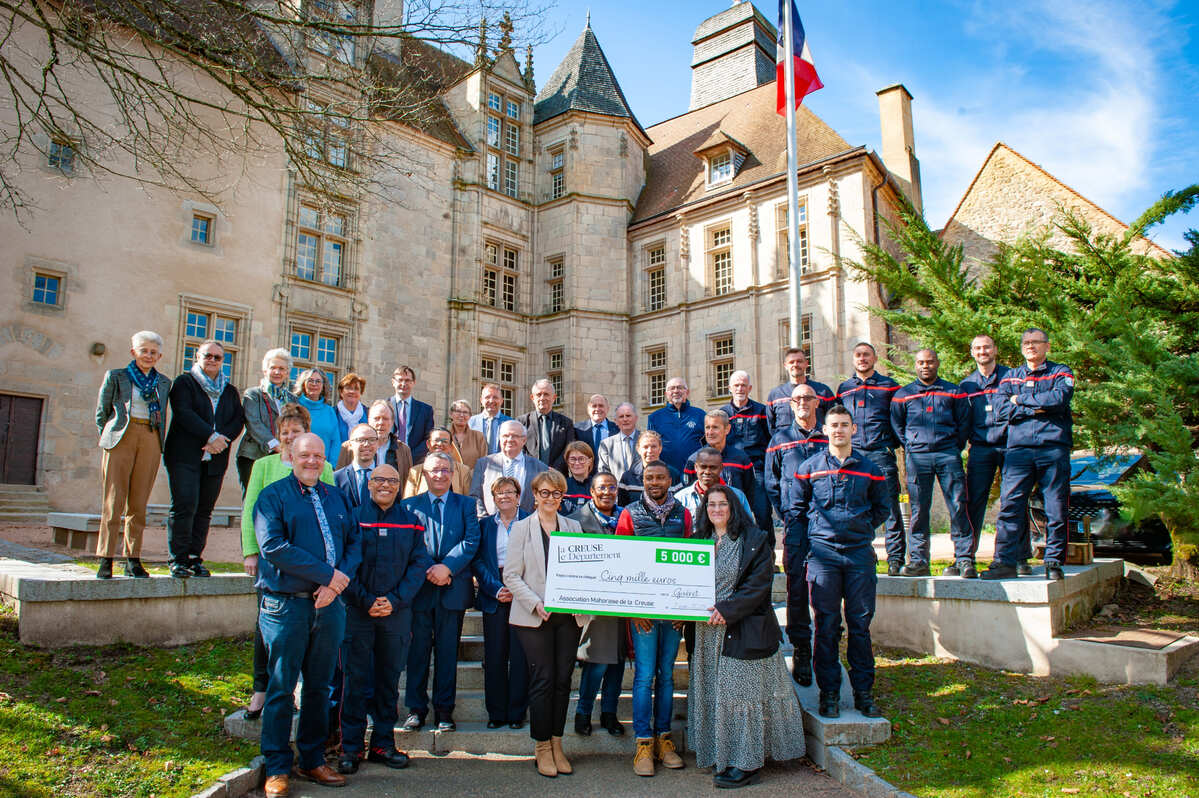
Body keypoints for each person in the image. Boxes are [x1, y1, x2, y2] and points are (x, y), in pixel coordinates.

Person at [253, 432, 361, 798]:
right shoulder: (273, 497)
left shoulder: (336, 496)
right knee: (282, 687)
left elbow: (354, 544)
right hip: (287, 606)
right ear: (290, 456)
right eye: (305, 455)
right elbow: (272, 546)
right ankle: (277, 766)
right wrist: (326, 575)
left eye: (318, 456)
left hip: (329, 606)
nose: (312, 461)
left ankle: (312, 759)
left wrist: (334, 585)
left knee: (320, 687)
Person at [688, 484, 805, 789]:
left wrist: (729, 609)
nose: (716, 510)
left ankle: (747, 762)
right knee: (716, 695)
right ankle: (723, 755)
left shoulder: (753, 540)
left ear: (734, 507)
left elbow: (759, 585)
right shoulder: (698, 540)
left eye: (722, 504)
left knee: (741, 699)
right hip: (706, 633)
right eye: (711, 505)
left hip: (741, 629)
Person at [787, 405, 888, 720]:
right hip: (823, 557)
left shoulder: (870, 468)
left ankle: (863, 693)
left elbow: (882, 507)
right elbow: (795, 510)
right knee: (827, 626)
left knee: (860, 625)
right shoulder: (809, 467)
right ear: (825, 430)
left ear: (853, 430)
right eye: (834, 425)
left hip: (859, 555)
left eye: (845, 425)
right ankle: (828, 693)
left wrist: (860, 529)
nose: (839, 430)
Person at [240, 403, 334, 723]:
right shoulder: (264, 467)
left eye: (297, 432)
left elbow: (331, 518)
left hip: (314, 574)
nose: (291, 438)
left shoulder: (325, 467)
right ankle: (261, 687)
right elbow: (251, 510)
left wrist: (329, 573)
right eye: (286, 433)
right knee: (267, 630)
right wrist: (250, 551)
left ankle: (298, 692)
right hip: (275, 568)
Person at [337, 464, 432, 775]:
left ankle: (382, 744)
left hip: (396, 615)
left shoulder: (412, 522)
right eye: (379, 479)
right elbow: (344, 565)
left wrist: (393, 600)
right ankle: (351, 747)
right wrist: (366, 600)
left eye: (393, 481)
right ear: (369, 483)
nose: (386, 486)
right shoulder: (353, 518)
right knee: (354, 682)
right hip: (357, 613)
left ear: (399, 486)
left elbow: (419, 567)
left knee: (388, 683)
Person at [503, 469, 587, 778]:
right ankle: (540, 746)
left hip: (567, 617)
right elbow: (511, 575)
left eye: (556, 493)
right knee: (543, 679)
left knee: (563, 681)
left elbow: (582, 571)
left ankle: (557, 742)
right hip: (533, 617)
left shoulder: (573, 527)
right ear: (535, 496)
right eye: (544, 493)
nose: (550, 498)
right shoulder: (522, 528)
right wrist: (535, 603)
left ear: (562, 496)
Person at [615, 460, 691, 777]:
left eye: (660, 477)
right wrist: (633, 609)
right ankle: (643, 742)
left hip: (673, 612)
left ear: (670, 480)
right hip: (643, 612)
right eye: (649, 477)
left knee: (667, 674)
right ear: (643, 480)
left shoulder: (683, 514)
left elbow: (691, 563)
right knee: (645, 675)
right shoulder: (629, 513)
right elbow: (620, 563)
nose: (655, 482)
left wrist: (685, 609)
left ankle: (664, 738)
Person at [982, 328, 1076, 582]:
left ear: (1047, 346)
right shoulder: (1011, 377)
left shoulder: (1061, 372)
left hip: (1052, 448)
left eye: (1036, 342)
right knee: (1010, 506)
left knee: (1055, 507)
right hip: (1018, 451)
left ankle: (1054, 561)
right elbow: (1001, 411)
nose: (1030, 347)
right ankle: (1005, 562)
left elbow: (1058, 399)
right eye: (1026, 343)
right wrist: (1038, 406)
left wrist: (1019, 401)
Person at [401, 452, 481, 732]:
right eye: (434, 470)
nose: (440, 475)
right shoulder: (409, 507)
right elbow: (410, 545)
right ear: (424, 474)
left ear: (452, 474)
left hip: (453, 588)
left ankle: (444, 710)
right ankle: (416, 709)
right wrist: (430, 570)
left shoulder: (466, 505)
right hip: (420, 589)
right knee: (418, 652)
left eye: (445, 470)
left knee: (448, 653)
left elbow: (471, 541)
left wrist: (447, 568)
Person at [94, 330, 172, 579]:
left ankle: (132, 559)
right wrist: (110, 436)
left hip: (150, 437)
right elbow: (102, 411)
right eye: (144, 351)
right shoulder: (116, 376)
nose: (148, 355)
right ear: (133, 352)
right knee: (113, 500)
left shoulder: (163, 382)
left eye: (153, 352)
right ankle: (106, 559)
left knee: (138, 503)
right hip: (121, 437)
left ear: (159, 355)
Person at [890, 349, 975, 577]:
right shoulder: (903, 395)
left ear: (937, 363)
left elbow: (964, 423)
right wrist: (912, 445)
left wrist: (952, 445)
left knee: (958, 506)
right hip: (917, 457)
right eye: (920, 362)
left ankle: (965, 559)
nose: (925, 366)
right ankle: (918, 560)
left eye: (929, 362)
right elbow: (898, 426)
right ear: (915, 365)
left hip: (948, 455)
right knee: (918, 509)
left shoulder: (953, 392)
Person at [164, 339, 244, 578]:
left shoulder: (229, 391)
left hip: (216, 458)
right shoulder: (184, 383)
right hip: (184, 455)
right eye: (207, 355)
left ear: (222, 361)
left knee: (204, 510)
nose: (212, 360)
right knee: (184, 505)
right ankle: (177, 559)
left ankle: (194, 558)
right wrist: (210, 435)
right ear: (197, 357)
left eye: (217, 357)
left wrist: (221, 440)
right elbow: (183, 412)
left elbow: (237, 420)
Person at [766, 383, 827, 686]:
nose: (802, 402)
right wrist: (787, 511)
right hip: (796, 524)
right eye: (797, 399)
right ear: (790, 405)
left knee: (827, 586)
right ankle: (802, 648)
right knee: (797, 587)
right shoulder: (780, 439)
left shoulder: (828, 437)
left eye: (807, 398)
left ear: (817, 402)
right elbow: (771, 481)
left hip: (827, 525)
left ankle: (825, 649)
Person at [960, 335, 1030, 574]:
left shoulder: (1013, 377)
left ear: (995, 350)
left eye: (987, 347)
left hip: (1012, 446)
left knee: (1015, 501)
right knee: (973, 502)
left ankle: (1019, 558)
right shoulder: (967, 385)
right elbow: (963, 420)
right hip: (981, 448)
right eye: (978, 348)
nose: (983, 351)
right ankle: (966, 556)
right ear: (972, 353)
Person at [836, 342, 905, 576]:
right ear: (853, 359)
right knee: (855, 508)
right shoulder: (844, 389)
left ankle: (895, 559)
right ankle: (863, 554)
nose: (862, 358)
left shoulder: (889, 387)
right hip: (853, 456)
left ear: (874, 359)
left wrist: (892, 444)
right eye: (858, 355)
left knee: (890, 507)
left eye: (866, 355)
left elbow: (899, 419)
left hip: (880, 453)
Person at [568, 471, 626, 738]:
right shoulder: (575, 522)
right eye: (601, 488)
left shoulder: (627, 517)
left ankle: (610, 713)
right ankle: (583, 712)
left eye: (612, 487)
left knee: (616, 663)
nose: (607, 492)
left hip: (625, 602)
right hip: (595, 605)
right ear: (591, 491)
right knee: (596, 662)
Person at [471, 476, 531, 729]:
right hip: (494, 593)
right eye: (498, 493)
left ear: (518, 496)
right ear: (492, 499)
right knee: (495, 657)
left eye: (509, 492)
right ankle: (496, 713)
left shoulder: (531, 521)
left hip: (524, 595)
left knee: (520, 657)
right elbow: (478, 560)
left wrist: (520, 589)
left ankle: (517, 713)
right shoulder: (484, 526)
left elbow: (538, 558)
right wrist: (495, 588)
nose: (504, 497)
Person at [236, 348, 297, 496]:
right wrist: (275, 445)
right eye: (273, 368)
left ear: (287, 373)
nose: (277, 372)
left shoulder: (292, 399)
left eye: (281, 368)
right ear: (265, 370)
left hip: (282, 458)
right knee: (253, 499)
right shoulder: (253, 394)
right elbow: (253, 423)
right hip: (253, 456)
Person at [721, 370, 774, 534]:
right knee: (732, 514)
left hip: (756, 471)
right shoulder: (722, 414)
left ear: (750, 388)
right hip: (730, 471)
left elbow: (770, 441)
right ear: (730, 388)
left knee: (762, 513)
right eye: (736, 385)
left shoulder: (762, 411)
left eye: (743, 385)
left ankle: (767, 554)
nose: (740, 389)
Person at [471, 420, 549, 517]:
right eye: (505, 436)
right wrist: (485, 522)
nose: (510, 439)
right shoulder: (483, 464)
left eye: (515, 436)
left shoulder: (540, 468)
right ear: (499, 438)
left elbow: (545, 500)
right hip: (491, 526)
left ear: (524, 440)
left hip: (527, 527)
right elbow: (475, 496)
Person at [682, 410, 756, 508]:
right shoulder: (694, 460)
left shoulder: (741, 459)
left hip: (735, 515)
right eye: (707, 427)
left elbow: (750, 491)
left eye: (715, 427)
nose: (710, 432)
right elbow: (689, 492)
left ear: (727, 429)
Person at [336, 400, 413, 480]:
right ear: (369, 420)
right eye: (376, 418)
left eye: (385, 419)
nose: (381, 423)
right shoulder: (349, 447)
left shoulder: (403, 450)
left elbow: (408, 484)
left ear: (392, 422)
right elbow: (340, 480)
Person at [765, 347, 835, 433]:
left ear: (806, 364)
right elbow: (770, 427)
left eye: (799, 361)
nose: (795, 364)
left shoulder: (823, 391)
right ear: (785, 366)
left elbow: (834, 419)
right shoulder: (775, 395)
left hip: (818, 443)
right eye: (791, 362)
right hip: (786, 444)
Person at [674, 447, 753, 520]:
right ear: (696, 467)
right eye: (703, 467)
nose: (707, 472)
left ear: (721, 468)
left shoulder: (738, 496)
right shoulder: (680, 499)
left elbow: (749, 529)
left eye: (713, 467)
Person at [647, 377, 705, 473]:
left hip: (694, 472)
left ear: (687, 392)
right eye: (672, 388)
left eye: (680, 387)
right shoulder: (655, 417)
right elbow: (651, 446)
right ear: (666, 394)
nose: (676, 391)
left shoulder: (700, 415)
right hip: (666, 472)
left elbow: (707, 444)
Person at [517, 378, 576, 472]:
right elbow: (519, 448)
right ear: (532, 398)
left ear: (554, 397)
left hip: (557, 476)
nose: (542, 398)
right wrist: (533, 467)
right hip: (529, 473)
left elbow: (569, 449)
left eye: (546, 394)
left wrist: (554, 469)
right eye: (539, 394)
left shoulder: (566, 423)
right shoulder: (521, 422)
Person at [617, 430, 681, 507]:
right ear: (638, 449)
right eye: (645, 447)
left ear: (660, 448)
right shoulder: (628, 477)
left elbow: (678, 505)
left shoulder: (673, 474)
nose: (650, 451)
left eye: (653, 446)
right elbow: (622, 508)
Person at [404, 427, 473, 497]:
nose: (440, 444)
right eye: (436, 440)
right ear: (428, 444)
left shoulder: (463, 471)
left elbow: (468, 501)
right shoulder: (415, 471)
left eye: (444, 441)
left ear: (451, 446)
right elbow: (408, 502)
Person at [389, 365, 435, 464]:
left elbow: (428, 438)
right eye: (400, 380)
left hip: (414, 462)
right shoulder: (383, 406)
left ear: (413, 383)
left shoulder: (425, 410)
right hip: (387, 460)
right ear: (393, 382)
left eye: (407, 380)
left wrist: (409, 457)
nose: (403, 383)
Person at [295, 368, 341, 466]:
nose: (314, 384)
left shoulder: (329, 411)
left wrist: (331, 466)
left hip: (323, 467)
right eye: (310, 380)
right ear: (303, 384)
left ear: (323, 386)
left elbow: (335, 441)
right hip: (298, 465)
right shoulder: (294, 407)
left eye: (318, 381)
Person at [333, 423, 379, 508]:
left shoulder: (387, 476)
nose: (366, 444)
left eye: (372, 440)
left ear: (377, 443)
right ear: (350, 445)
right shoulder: (338, 478)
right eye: (361, 440)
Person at [596, 402, 641, 481]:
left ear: (636, 418)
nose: (625, 419)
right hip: (616, 491)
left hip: (642, 490)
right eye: (621, 416)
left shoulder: (646, 441)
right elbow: (604, 473)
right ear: (616, 421)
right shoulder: (606, 444)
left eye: (628, 416)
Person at [468, 382, 512, 456]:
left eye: (495, 397)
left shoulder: (511, 423)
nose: (491, 401)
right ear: (481, 400)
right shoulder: (470, 422)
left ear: (501, 401)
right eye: (487, 397)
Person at [448, 399, 488, 469]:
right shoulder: (445, 436)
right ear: (451, 414)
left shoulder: (478, 437)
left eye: (465, 412)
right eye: (458, 411)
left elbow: (483, 463)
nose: (461, 415)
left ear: (470, 416)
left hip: (472, 478)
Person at [560, 440, 596, 515]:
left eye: (581, 459)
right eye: (572, 459)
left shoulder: (598, 486)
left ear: (590, 461)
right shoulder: (561, 487)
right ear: (567, 462)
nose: (577, 463)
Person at [334, 372, 368, 445]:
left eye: (356, 389)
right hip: (338, 455)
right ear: (341, 392)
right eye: (348, 388)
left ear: (360, 392)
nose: (352, 391)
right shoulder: (332, 413)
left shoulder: (369, 413)